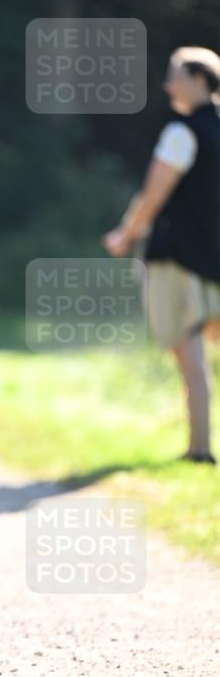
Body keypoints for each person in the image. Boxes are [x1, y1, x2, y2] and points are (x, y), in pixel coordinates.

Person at [103, 46, 220, 465]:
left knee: (187, 350)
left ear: (200, 80)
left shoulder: (181, 133)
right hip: (213, 258)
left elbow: (153, 196)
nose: (168, 85)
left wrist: (124, 235)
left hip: (179, 258)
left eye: (176, 76)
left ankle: (200, 449)